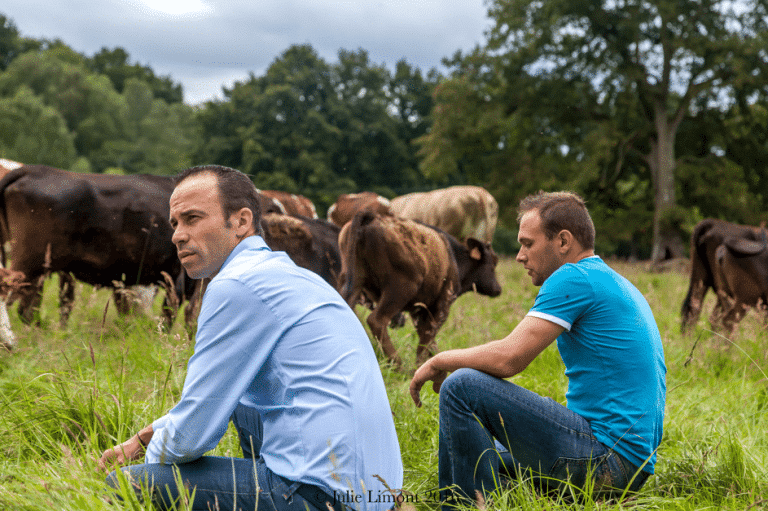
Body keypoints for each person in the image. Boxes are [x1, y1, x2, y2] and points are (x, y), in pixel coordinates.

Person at [98, 165, 403, 511]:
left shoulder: (235, 284)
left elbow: (191, 435)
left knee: (128, 483)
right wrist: (143, 437)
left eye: (192, 218)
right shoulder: (293, 276)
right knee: (243, 397)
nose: (178, 235)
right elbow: (214, 399)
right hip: (378, 497)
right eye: (175, 223)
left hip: (322, 497)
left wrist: (146, 463)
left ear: (241, 221)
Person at [409, 191, 666, 507]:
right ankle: (474, 499)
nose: (519, 255)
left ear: (562, 242)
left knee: (461, 386)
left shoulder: (574, 277)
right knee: (482, 457)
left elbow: (509, 358)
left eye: (528, 243)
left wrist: (440, 359)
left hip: (606, 461)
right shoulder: (615, 282)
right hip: (629, 467)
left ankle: (461, 507)